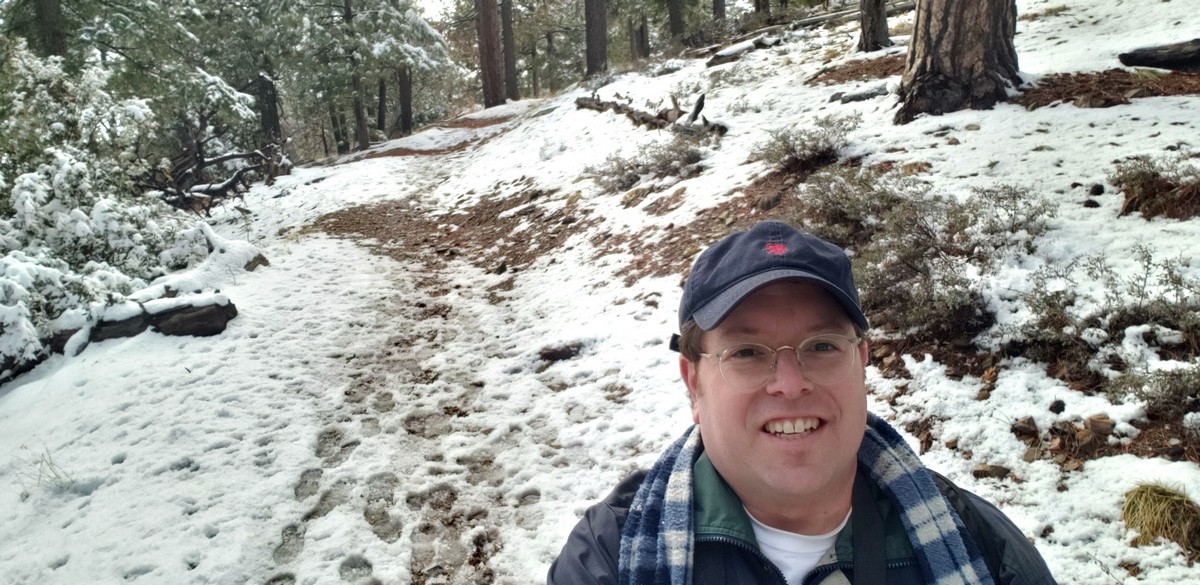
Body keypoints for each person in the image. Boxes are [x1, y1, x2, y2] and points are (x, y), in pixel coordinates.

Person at [547, 220, 1056, 585]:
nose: (790, 384)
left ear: (861, 362)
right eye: (746, 352)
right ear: (693, 382)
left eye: (821, 347)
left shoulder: (981, 546)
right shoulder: (608, 559)